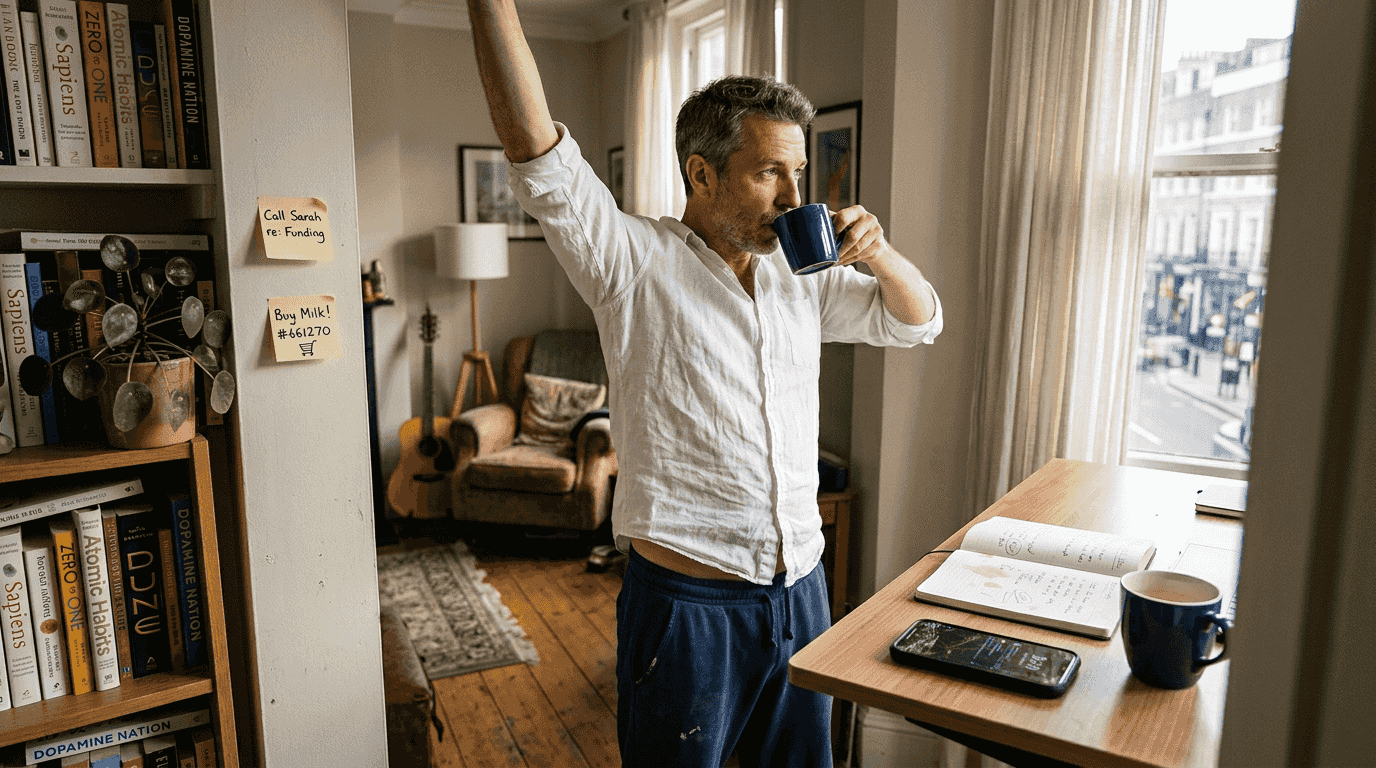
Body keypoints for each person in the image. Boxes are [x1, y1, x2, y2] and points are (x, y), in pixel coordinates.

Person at [463, 1, 943, 765]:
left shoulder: (800, 278)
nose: (794, 197)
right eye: (768, 174)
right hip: (690, 609)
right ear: (702, 173)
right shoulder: (631, 263)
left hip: (802, 590)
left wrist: (880, 254)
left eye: (798, 173)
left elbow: (917, 321)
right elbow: (537, 150)